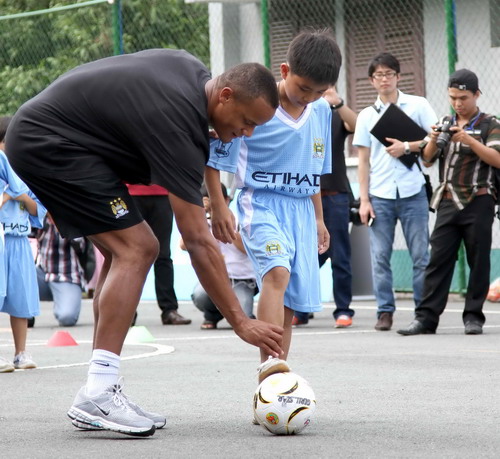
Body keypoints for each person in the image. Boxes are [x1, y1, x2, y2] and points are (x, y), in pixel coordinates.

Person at [5, 49, 283, 436]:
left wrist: (217, 200)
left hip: (57, 137)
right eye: (247, 122)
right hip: (51, 143)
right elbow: (198, 241)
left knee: (122, 250)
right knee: (139, 247)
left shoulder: (192, 74)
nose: (247, 133)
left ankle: (99, 388)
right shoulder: (176, 123)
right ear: (225, 96)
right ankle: (99, 391)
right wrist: (240, 321)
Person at [205, 30, 341, 385]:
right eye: (304, 88)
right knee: (276, 273)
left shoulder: (322, 111)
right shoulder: (257, 106)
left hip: (301, 209)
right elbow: (215, 160)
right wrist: (220, 206)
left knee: (291, 298)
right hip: (259, 203)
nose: (310, 97)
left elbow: (313, 170)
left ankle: (275, 381)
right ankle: (269, 370)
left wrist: (319, 219)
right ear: (284, 70)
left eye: (319, 91)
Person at [398, 69, 500, 336]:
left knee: (479, 261)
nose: (458, 103)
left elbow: (497, 158)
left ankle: (473, 318)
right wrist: (432, 138)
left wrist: (468, 139)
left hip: (479, 199)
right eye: (453, 97)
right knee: (438, 260)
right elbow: (428, 159)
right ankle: (426, 319)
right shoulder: (445, 121)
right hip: (447, 200)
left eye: (463, 97)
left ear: (476, 95)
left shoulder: (491, 124)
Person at [352, 52, 437, 332]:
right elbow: (363, 160)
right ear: (372, 81)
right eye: (379, 75)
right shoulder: (365, 115)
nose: (385, 79)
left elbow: (435, 138)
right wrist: (364, 200)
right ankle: (384, 311)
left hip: (413, 191)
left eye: (389, 74)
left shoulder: (418, 105)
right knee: (380, 256)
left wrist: (408, 146)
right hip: (380, 195)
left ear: (399, 77)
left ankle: (422, 312)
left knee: (420, 255)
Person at [293, 86, 358, 328]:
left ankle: (343, 310)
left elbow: (360, 129)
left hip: (335, 195)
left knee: (340, 254)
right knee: (305, 255)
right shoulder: (298, 114)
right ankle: (300, 309)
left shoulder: (335, 113)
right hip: (303, 196)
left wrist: (338, 102)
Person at [0, 116, 47, 373]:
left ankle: (20, 352)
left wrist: (18, 195)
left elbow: (36, 209)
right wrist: (8, 194)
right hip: (0, 239)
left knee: (19, 297)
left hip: (18, 240)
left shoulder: (22, 172)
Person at [183, 183, 257, 329]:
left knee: (243, 316)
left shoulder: (239, 219)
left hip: (241, 279)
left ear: (226, 200)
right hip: (214, 277)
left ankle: (242, 314)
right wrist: (201, 217)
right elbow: (183, 245)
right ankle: (212, 315)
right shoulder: (200, 222)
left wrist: (224, 223)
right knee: (200, 296)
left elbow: (246, 249)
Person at [126, 183, 191, 325]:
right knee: (131, 257)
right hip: (131, 193)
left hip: (162, 192)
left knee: (163, 255)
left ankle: (169, 310)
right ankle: (127, 311)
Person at [35, 215, 87, 327]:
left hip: (66, 276)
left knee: (66, 318)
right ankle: (25, 315)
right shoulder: (41, 217)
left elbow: (81, 246)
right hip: (42, 274)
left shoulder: (69, 217)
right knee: (18, 276)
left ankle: (66, 300)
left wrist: (63, 227)